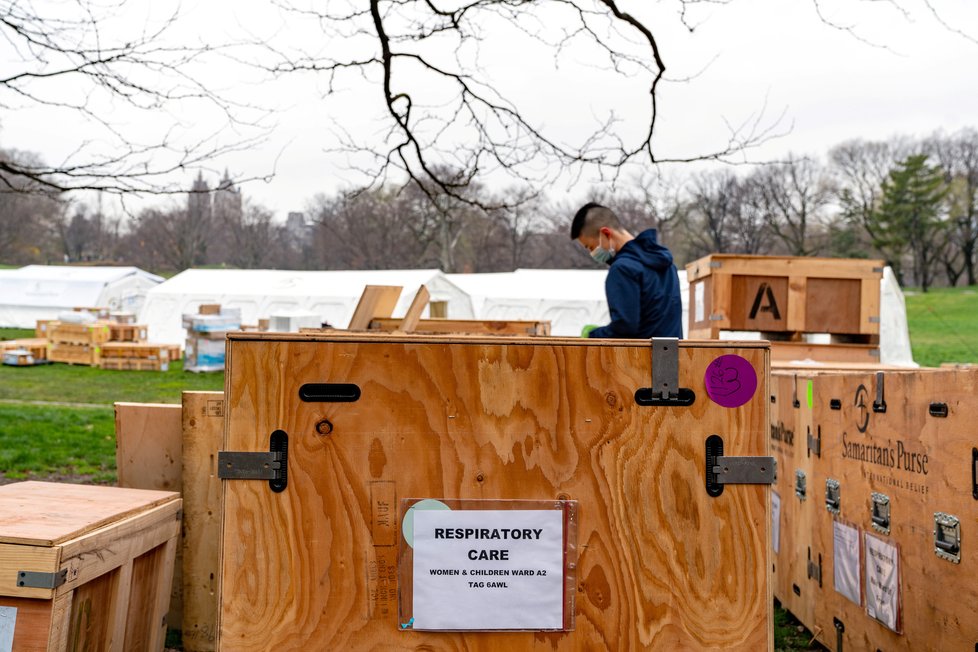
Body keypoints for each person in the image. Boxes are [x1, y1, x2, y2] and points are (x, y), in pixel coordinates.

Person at [570, 202, 683, 339]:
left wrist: (592, 335)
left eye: (590, 247)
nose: (592, 253)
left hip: (641, 358)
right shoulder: (667, 264)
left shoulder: (622, 269)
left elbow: (624, 328)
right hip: (673, 357)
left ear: (605, 233)